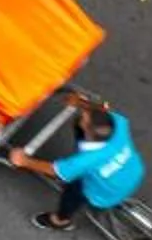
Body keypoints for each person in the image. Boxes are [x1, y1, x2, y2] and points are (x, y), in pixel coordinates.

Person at [8, 93, 144, 231]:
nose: (83, 114)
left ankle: (60, 220)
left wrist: (24, 161)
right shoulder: (118, 124)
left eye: (84, 119)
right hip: (131, 172)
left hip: (102, 191)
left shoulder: (86, 160)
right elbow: (101, 111)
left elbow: (55, 171)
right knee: (78, 158)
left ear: (89, 133)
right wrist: (79, 102)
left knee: (73, 192)